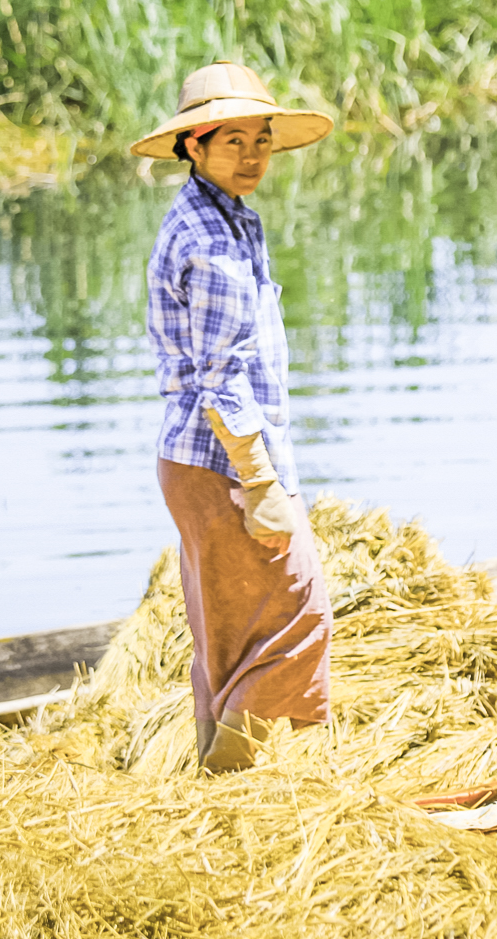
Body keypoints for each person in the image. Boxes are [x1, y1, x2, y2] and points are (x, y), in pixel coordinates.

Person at [132, 62, 336, 773]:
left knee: (227, 634)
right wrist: (261, 484)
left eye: (261, 140)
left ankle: (217, 783)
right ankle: (226, 786)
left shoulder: (226, 216)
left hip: (199, 458)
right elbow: (221, 379)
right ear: (195, 146)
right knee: (300, 617)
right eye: (232, 142)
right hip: (221, 460)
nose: (251, 157)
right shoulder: (211, 243)